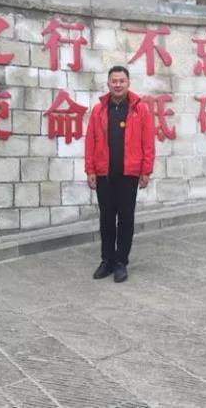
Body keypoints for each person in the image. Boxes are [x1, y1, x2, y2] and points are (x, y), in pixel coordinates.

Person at [84, 65, 155, 283]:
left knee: (125, 218)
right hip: (104, 173)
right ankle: (107, 260)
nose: (117, 84)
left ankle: (121, 262)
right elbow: (90, 141)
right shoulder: (99, 110)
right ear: (108, 83)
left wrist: (146, 170)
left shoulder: (140, 109)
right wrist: (90, 170)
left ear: (128, 83)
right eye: (114, 81)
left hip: (129, 174)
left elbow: (148, 142)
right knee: (106, 218)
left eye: (121, 81)